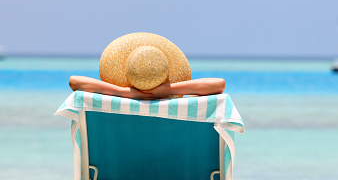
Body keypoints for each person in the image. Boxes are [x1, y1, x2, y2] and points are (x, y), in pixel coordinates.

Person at [69, 76, 225, 100]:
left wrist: (123, 92)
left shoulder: (117, 103)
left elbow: (74, 82)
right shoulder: (180, 106)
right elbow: (219, 85)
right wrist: (168, 90)